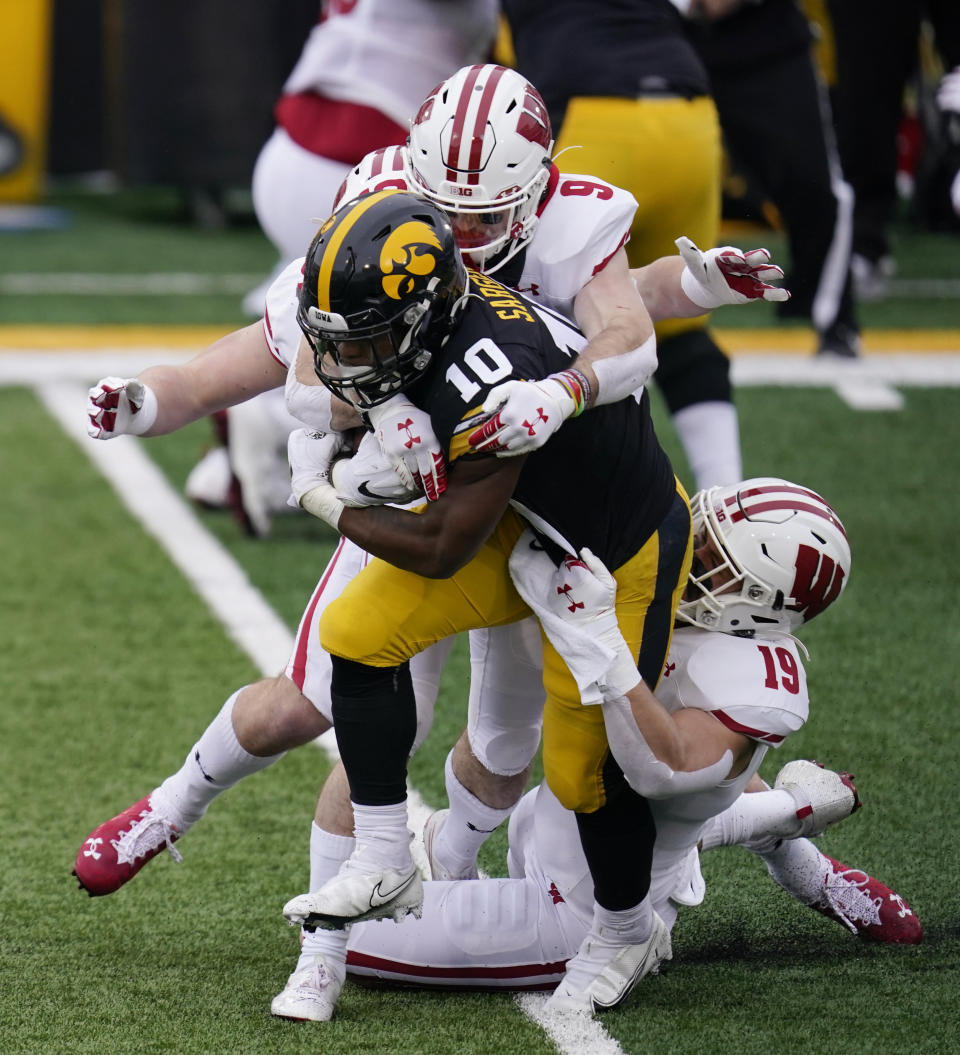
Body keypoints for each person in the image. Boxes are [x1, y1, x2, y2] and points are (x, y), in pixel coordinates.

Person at [74, 69, 788, 1020]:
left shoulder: (557, 258)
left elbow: (616, 321)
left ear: (536, 192)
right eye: (440, 216)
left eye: (482, 221)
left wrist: (632, 334)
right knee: (324, 691)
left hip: (542, 513)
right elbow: (272, 353)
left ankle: (491, 869)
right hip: (432, 492)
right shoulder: (382, 238)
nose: (459, 243)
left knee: (539, 747)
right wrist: (159, 401)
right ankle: (201, 822)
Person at [270, 187, 694, 1019]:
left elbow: (441, 545)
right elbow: (341, 377)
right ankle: (387, 853)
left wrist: (325, 497)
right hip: (519, 516)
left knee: (589, 773)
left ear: (425, 317)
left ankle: (626, 925)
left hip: (608, 551)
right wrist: (385, 408)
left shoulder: (491, 381)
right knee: (355, 629)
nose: (350, 361)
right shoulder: (430, 323)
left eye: (371, 341)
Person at [324, 480, 920, 1011]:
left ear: (760, 609)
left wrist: (600, 642)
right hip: (553, 818)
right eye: (701, 536)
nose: (690, 558)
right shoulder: (672, 587)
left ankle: (805, 859)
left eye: (712, 562)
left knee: (340, 939)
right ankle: (798, 823)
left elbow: (666, 771)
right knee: (684, 794)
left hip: (580, 910)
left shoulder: (752, 679)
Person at [187, 0, 499, 535]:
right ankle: (272, 418)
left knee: (309, 312)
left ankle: (242, 469)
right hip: (358, 152)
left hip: (307, 139)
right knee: (425, 323)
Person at [500, 0, 744, 488]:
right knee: (682, 329)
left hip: (589, 114)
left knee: (544, 313)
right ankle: (726, 493)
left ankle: (558, 512)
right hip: (689, 115)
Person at [683, 0, 861, 358]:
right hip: (662, 39)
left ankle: (829, 315)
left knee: (814, 186)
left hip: (766, 41)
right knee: (632, 182)